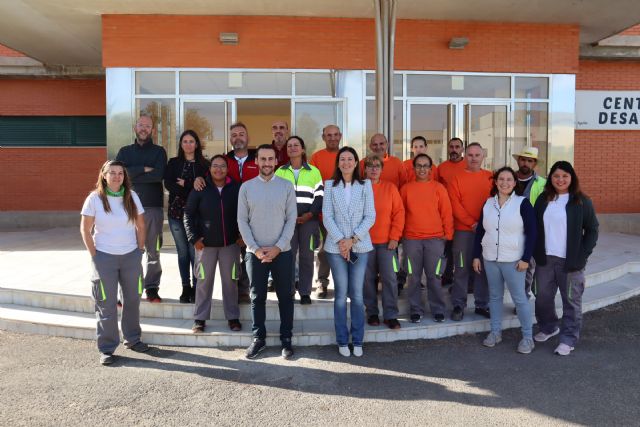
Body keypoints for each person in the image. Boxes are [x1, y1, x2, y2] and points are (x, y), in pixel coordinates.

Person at [80, 160, 149, 365]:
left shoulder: (132, 196)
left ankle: (133, 339)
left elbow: (141, 225)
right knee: (106, 304)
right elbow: (85, 229)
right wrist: (95, 255)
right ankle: (107, 348)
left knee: (133, 299)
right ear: (104, 175)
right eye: (112, 173)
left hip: (130, 256)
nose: (117, 176)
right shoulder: (94, 199)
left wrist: (140, 250)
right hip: (104, 258)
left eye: (120, 173)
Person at [532, 161, 599, 356]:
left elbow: (592, 230)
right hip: (545, 259)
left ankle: (568, 338)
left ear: (571, 178)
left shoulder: (581, 201)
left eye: (564, 176)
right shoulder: (544, 199)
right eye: (556, 176)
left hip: (570, 262)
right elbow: (536, 227)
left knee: (571, 301)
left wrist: (582, 255)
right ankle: (549, 327)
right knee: (542, 296)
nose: (560, 180)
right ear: (550, 178)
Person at [238, 144, 297, 360]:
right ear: (256, 161)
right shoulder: (246, 187)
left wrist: (278, 247)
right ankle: (258, 338)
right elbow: (242, 221)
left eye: (270, 159)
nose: (267, 163)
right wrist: (254, 249)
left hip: (282, 251)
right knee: (257, 297)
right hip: (255, 253)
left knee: (285, 296)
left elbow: (291, 219)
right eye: (262, 159)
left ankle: (286, 340)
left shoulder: (286, 186)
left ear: (276, 161)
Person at [472, 167, 537, 354]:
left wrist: (526, 258)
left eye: (509, 179)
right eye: (501, 179)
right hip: (490, 258)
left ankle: (527, 337)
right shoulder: (488, 203)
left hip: (514, 260)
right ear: (495, 181)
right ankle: (495, 332)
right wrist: (476, 255)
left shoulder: (522, 203)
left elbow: (532, 232)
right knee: (494, 297)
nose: (505, 183)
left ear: (515, 183)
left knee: (520, 299)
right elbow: (480, 232)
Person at [323, 147, 376, 357]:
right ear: (338, 163)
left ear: (356, 163)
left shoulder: (365, 185)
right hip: (335, 248)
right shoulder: (330, 186)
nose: (346, 162)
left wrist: (352, 240)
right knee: (340, 295)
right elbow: (327, 216)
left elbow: (370, 216)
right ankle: (342, 340)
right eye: (342, 159)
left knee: (357, 295)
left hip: (360, 247)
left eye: (350, 159)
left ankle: (358, 339)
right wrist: (341, 242)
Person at [184, 155, 243, 333]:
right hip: (205, 246)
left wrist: (242, 236)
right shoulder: (200, 188)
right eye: (215, 166)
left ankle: (233, 317)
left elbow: (246, 213)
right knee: (203, 282)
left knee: (231, 282)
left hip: (230, 245)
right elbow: (188, 214)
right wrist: (193, 238)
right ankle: (200, 319)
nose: (219, 169)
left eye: (222, 166)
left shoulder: (237, 188)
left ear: (227, 169)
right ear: (210, 169)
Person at [115, 114, 167, 303]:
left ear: (152, 130)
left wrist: (133, 172)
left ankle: (152, 288)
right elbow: (119, 175)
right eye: (141, 125)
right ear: (135, 128)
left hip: (153, 207)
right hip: (128, 208)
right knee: (128, 251)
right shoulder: (124, 151)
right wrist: (144, 169)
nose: (144, 128)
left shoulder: (159, 152)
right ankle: (126, 291)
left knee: (153, 250)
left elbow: (158, 175)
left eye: (148, 126)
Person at [400, 154, 453, 323]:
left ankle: (438, 309)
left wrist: (448, 235)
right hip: (411, 239)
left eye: (425, 166)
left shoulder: (439, 188)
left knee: (434, 276)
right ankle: (416, 309)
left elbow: (446, 213)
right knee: (413, 277)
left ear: (431, 169)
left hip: (435, 240)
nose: (422, 169)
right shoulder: (406, 189)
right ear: (413, 168)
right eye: (419, 166)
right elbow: (400, 214)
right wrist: (400, 235)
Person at [275, 136, 324, 304]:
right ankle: (288, 291)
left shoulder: (314, 171)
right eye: (290, 146)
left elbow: (319, 197)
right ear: (286, 150)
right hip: (287, 222)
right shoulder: (280, 171)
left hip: (309, 222)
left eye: (296, 145)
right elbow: (275, 198)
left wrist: (309, 215)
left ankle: (305, 292)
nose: (293, 148)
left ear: (303, 149)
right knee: (287, 256)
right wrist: (288, 216)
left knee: (307, 257)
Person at [448, 143, 493, 321]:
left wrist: (482, 225)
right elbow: (455, 205)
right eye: (470, 155)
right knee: (461, 268)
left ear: (483, 157)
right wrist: (472, 223)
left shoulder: (491, 177)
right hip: (463, 232)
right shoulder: (456, 178)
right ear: (465, 156)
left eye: (477, 155)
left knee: (483, 268)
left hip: (487, 232)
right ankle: (458, 305)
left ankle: (482, 304)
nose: (473, 158)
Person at [163, 130, 209, 304]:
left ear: (196, 144)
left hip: (196, 216)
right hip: (175, 214)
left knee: (195, 252)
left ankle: (197, 288)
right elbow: (168, 184)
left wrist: (186, 183)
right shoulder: (174, 163)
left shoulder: (205, 165)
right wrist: (190, 188)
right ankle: (185, 287)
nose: (188, 144)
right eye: (185, 141)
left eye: (191, 141)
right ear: (181, 144)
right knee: (182, 252)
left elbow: (204, 189)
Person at [362, 155, 405, 329]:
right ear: (364, 169)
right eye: (370, 166)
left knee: (389, 279)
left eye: (377, 166)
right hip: (364, 243)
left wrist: (395, 237)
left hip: (387, 243)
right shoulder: (359, 188)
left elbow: (399, 213)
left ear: (382, 169)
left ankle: (390, 315)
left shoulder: (390, 188)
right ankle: (372, 313)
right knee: (367, 279)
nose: (373, 169)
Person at [225, 122, 257, 304]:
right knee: (230, 256)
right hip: (228, 216)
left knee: (248, 254)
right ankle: (231, 290)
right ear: (230, 139)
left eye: (241, 134)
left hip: (252, 216)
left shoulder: (257, 161)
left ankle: (245, 289)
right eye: (234, 135)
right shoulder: (224, 161)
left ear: (247, 138)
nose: (238, 137)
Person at [310, 125, 341, 298]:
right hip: (323, 212)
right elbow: (314, 185)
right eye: (328, 135)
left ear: (340, 136)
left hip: (345, 214)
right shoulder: (316, 157)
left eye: (335, 135)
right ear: (323, 137)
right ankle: (322, 282)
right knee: (323, 251)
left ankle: (345, 283)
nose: (332, 138)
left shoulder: (346, 155)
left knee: (344, 248)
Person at [512, 146, 547, 303]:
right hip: (510, 231)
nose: (526, 163)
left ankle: (523, 299)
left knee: (526, 267)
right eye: (523, 159)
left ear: (534, 164)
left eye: (530, 161)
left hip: (531, 232)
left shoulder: (543, 184)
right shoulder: (507, 179)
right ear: (518, 161)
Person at [437, 137, 468, 286]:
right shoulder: (441, 168)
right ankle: (447, 275)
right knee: (447, 249)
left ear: (462, 149)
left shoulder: (468, 166)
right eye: (451, 147)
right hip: (446, 216)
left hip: (464, 216)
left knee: (462, 251)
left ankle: (464, 279)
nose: (454, 150)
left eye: (457, 147)